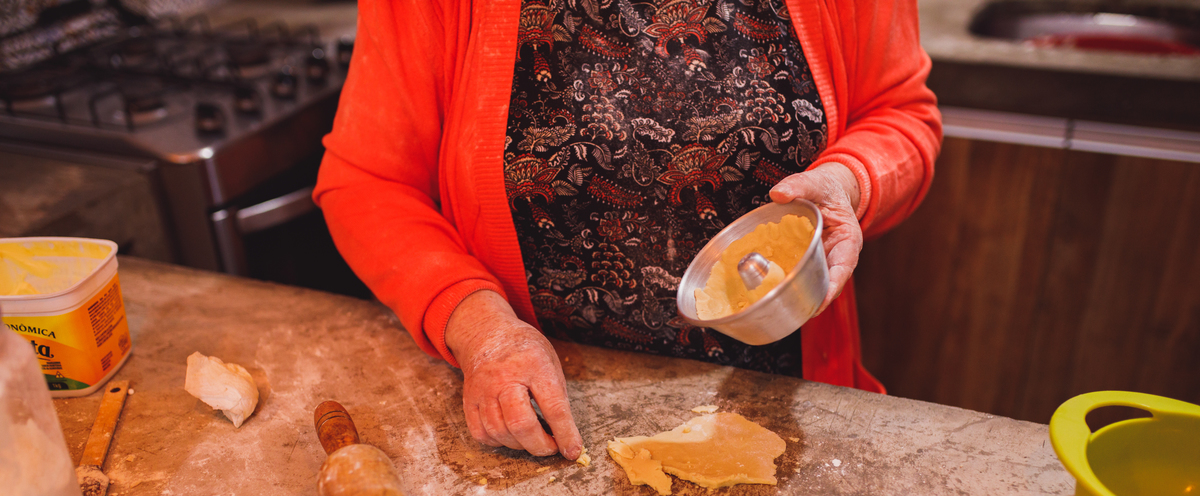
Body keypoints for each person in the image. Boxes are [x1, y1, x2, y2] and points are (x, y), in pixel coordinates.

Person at [315, 0, 942, 462]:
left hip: (790, 407)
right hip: (550, 425)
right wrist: (482, 331)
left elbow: (899, 113)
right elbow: (368, 181)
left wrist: (851, 181)